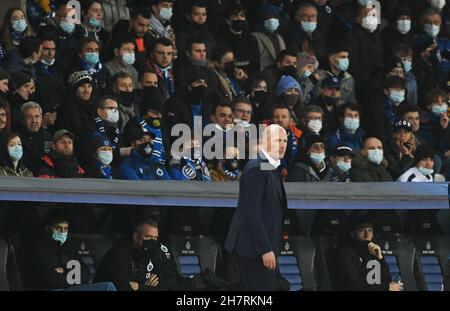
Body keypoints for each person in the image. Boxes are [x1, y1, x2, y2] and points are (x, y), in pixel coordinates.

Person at [225, 124, 287, 291]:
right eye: (277, 140)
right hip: (253, 251)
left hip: (262, 250)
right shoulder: (257, 168)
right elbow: (251, 212)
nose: (282, 144)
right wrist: (264, 249)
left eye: (285, 140)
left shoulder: (270, 167)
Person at [22, 208, 116, 291]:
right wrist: (71, 274)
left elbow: (86, 274)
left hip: (69, 288)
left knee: (108, 287)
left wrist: (63, 271)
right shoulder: (36, 246)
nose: (63, 232)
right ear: (48, 228)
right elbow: (48, 278)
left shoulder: (67, 246)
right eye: (59, 228)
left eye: (65, 229)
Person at [96, 218, 185, 291]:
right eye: (148, 237)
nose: (152, 241)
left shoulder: (152, 253)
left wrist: (139, 286)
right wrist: (145, 287)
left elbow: (164, 285)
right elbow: (124, 287)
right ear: (136, 237)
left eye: (155, 238)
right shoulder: (118, 254)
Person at [336, 215, 403, 291]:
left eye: (369, 230)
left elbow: (388, 281)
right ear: (352, 234)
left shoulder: (374, 250)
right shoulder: (346, 253)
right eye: (362, 231)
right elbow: (355, 286)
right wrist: (386, 287)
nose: (367, 235)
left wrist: (380, 259)